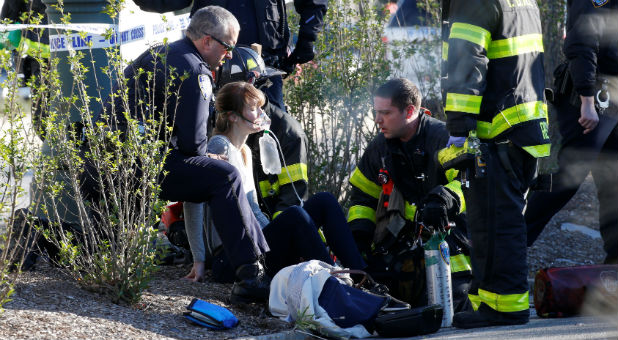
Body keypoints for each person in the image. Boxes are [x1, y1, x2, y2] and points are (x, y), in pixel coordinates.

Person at [89, 6, 270, 304]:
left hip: (110, 165)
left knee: (215, 173)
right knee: (224, 176)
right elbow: (193, 144)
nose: (229, 54)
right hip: (137, 167)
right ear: (208, 41)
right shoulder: (196, 71)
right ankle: (251, 274)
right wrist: (209, 156)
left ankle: (255, 264)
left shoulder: (160, 53)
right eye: (228, 47)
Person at [182, 80, 367, 286]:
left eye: (261, 107)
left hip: (253, 250)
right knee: (295, 215)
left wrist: (279, 237)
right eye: (253, 109)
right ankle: (334, 286)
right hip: (230, 261)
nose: (262, 113)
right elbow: (192, 201)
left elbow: (253, 210)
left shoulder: (243, 151)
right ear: (233, 116)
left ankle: (362, 279)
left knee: (324, 201)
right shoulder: (219, 146)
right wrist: (198, 259)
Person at [440, 0, 550, 328]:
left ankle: (504, 304)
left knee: (496, 223)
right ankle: (489, 300)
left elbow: (466, 58)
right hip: (523, 125)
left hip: (498, 129)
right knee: (498, 221)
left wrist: (458, 127)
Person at [347, 78, 472, 310]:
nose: (377, 120)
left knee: (443, 308)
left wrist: (444, 198)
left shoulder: (441, 138)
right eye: (376, 112)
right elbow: (363, 197)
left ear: (410, 111)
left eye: (385, 113)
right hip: (406, 242)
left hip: (452, 240)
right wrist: (359, 238)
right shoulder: (380, 148)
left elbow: (468, 183)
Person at [525, 0, 617, 265]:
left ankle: (614, 267)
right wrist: (587, 98)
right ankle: (512, 240)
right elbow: (582, 40)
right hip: (591, 97)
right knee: (567, 179)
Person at [131, 0, 328, 112]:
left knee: (274, 134)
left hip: (264, 67)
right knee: (212, 132)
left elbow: (314, 2)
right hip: (212, 67)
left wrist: (307, 39)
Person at [215, 46, 310, 219]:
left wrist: (274, 238)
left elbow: (293, 200)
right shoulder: (222, 134)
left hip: (280, 227)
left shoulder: (286, 132)